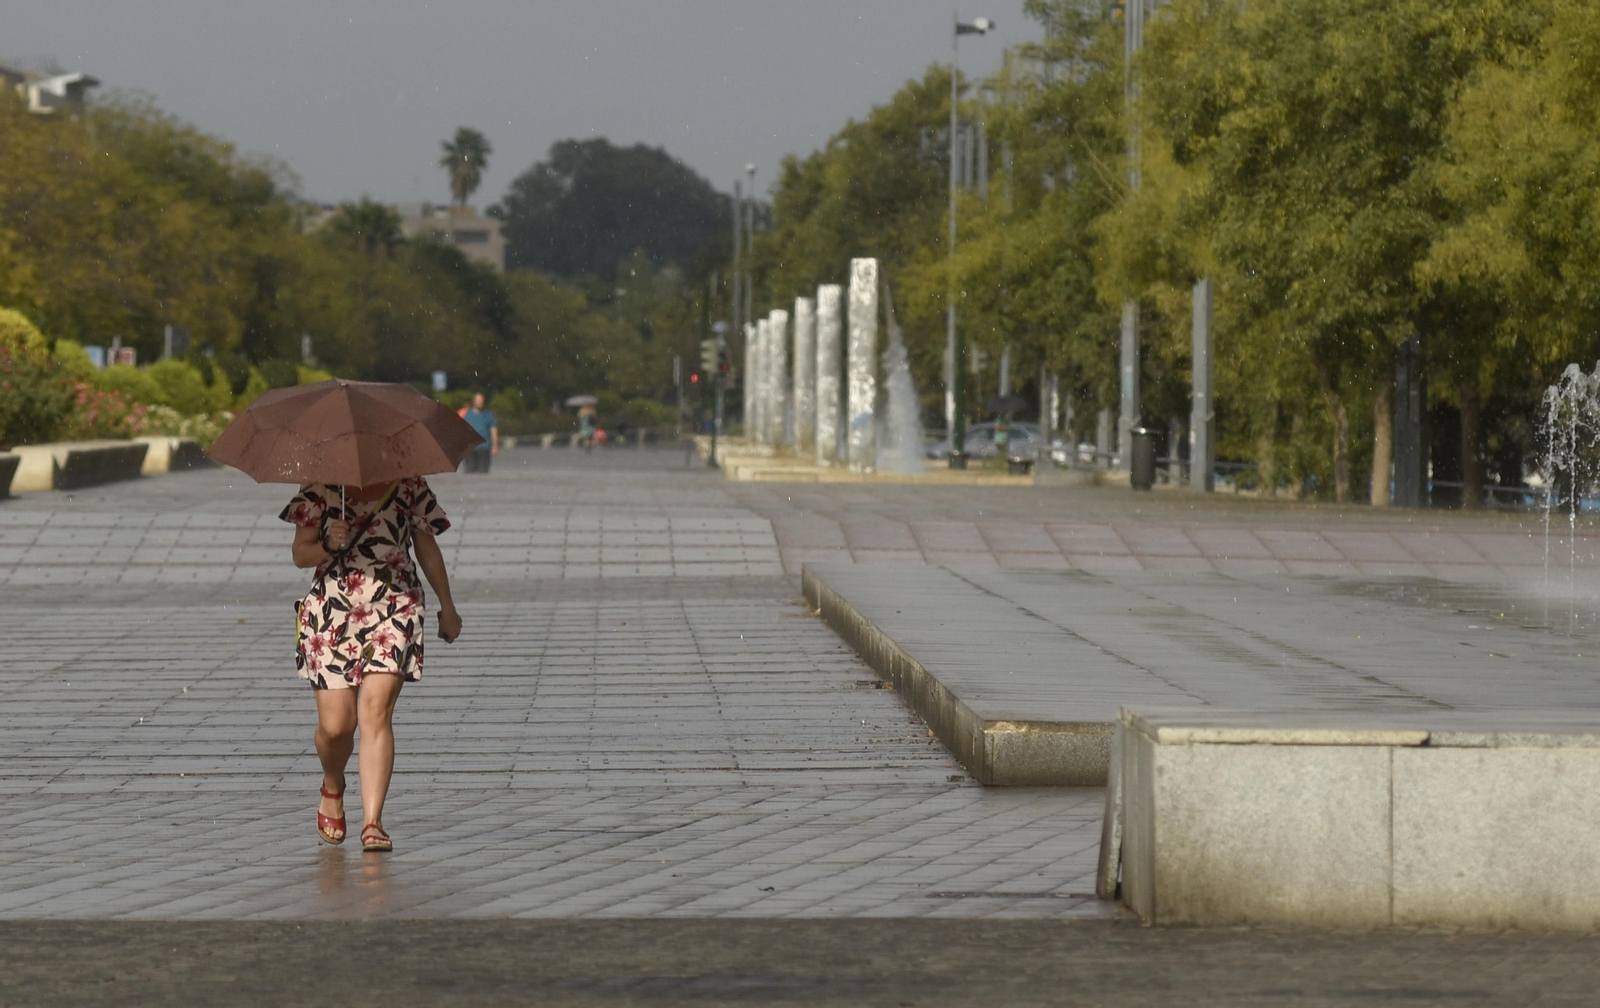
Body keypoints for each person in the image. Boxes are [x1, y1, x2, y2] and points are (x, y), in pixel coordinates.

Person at [282, 477, 461, 853]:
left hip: (396, 606)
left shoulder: (408, 484)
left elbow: (427, 548)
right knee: (336, 727)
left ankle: (373, 822)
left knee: (376, 711)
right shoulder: (320, 487)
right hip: (330, 613)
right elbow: (301, 554)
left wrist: (448, 605)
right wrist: (330, 543)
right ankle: (333, 783)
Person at [461, 393, 498, 473]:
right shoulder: (467, 414)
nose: (479, 403)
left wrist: (495, 446)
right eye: (478, 401)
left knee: (483, 473)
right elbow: (462, 430)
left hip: (484, 448)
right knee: (469, 472)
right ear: (474, 402)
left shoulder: (488, 415)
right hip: (470, 449)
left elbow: (493, 431)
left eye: (481, 401)